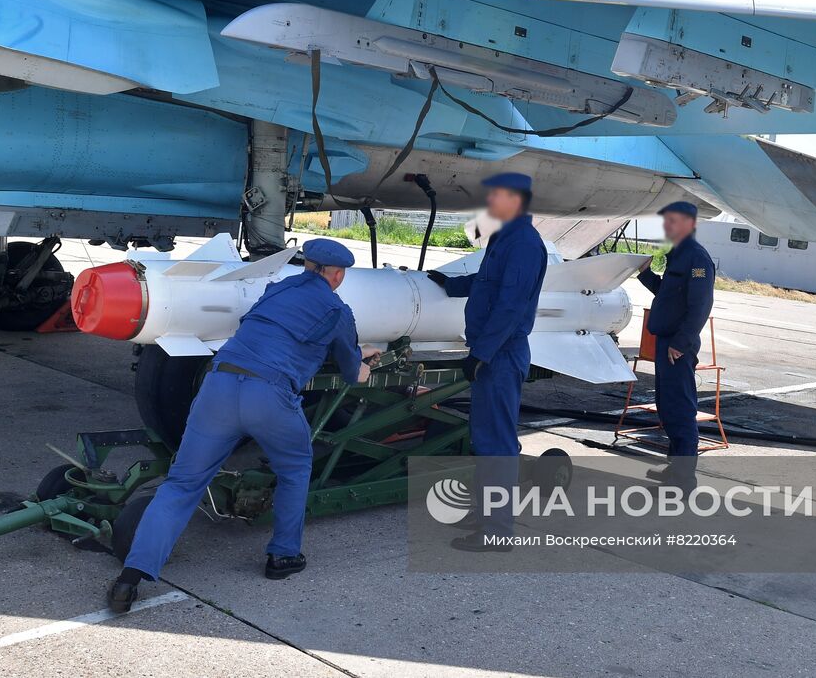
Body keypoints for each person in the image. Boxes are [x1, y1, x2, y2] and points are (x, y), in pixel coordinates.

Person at [107, 238, 379, 611]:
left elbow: (276, 333)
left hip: (218, 387)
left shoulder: (276, 290)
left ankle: (130, 578)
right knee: (296, 469)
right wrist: (363, 364)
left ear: (308, 266)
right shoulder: (337, 311)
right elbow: (352, 374)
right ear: (338, 274)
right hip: (270, 397)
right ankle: (282, 556)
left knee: (182, 484)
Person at [426, 172, 548, 551]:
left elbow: (510, 305)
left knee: (496, 442)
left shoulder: (525, 243)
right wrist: (450, 284)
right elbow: (490, 281)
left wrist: (481, 353)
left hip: (501, 352)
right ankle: (488, 515)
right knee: (485, 438)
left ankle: (497, 531)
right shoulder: (505, 236)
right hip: (492, 351)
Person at [636, 201, 715, 461]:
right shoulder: (678, 255)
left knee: (680, 412)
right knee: (668, 409)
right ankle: (674, 474)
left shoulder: (697, 259)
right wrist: (646, 274)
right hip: (667, 344)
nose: (666, 226)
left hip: (677, 348)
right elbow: (669, 296)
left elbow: (701, 306)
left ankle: (682, 481)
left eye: (672, 221)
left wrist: (680, 343)